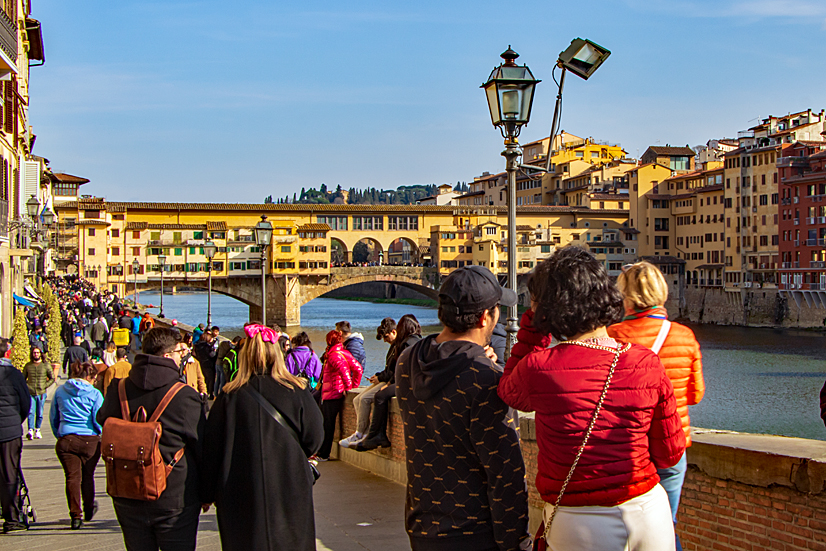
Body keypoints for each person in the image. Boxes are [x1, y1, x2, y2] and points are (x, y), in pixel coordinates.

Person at [499, 247, 686, 551]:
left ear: (548, 308)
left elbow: (508, 390)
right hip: (648, 513)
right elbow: (670, 453)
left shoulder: (539, 368)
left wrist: (533, 325)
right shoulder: (646, 362)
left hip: (579, 523)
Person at [395, 265, 531, 551]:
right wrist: (516, 542)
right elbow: (506, 474)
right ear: (485, 317)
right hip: (476, 532)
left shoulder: (408, 361)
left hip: (422, 525)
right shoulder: (487, 380)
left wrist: (478, 358)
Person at [607, 261, 705, 551]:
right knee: (667, 525)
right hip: (672, 446)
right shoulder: (685, 336)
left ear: (626, 297)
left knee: (625, 531)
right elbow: (696, 394)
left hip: (627, 446)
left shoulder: (614, 336)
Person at [202, 323, 324, 551]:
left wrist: (207, 492)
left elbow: (211, 450)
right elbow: (315, 438)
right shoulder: (296, 391)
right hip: (290, 485)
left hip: (239, 490)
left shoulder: (228, 397)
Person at [97, 327, 207, 551]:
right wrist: (207, 493)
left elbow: (103, 419)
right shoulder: (184, 395)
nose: (181, 357)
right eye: (179, 352)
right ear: (167, 356)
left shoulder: (118, 388)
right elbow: (202, 447)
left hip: (127, 491)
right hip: (174, 496)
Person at [354, 314, 421, 451]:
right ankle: (375, 435)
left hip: (408, 383)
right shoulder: (417, 341)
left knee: (380, 396)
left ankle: (376, 436)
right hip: (413, 382)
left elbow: (402, 370)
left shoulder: (406, 344)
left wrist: (389, 383)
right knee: (379, 395)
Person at [50, 361, 104, 530]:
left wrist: (60, 433)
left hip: (67, 438)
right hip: (90, 440)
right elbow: (98, 418)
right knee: (88, 476)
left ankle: (75, 515)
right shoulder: (95, 394)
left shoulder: (60, 391)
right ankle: (88, 508)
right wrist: (98, 432)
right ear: (90, 377)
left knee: (72, 477)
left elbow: (53, 417)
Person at [340, 317, 395, 448]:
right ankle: (361, 432)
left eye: (386, 337)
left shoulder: (400, 346)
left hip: (390, 382)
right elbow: (389, 369)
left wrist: (381, 379)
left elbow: (394, 371)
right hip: (386, 379)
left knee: (364, 399)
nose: (385, 340)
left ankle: (361, 434)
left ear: (394, 332)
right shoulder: (394, 347)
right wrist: (377, 376)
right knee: (356, 399)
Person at [316, 330, 363, 461]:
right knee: (327, 424)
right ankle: (322, 452)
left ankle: (324, 453)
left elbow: (345, 373)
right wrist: (354, 385)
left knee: (328, 425)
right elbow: (358, 369)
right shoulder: (343, 352)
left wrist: (349, 387)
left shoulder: (333, 355)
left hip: (332, 393)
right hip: (333, 392)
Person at [0, 339, 30, 533]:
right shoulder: (14, 374)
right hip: (9, 431)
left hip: (9, 427)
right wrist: (16, 421)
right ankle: (11, 518)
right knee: (9, 473)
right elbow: (25, 402)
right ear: (7, 353)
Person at [23, 346, 55, 440]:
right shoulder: (28, 365)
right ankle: (30, 430)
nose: (36, 354)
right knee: (31, 411)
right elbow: (23, 378)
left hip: (41, 392)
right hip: (31, 392)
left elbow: (52, 378)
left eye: (37, 352)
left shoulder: (45, 365)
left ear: (40, 354)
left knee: (40, 412)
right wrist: (27, 386)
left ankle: (38, 429)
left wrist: (45, 385)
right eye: (34, 353)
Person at [194, 331, 218, 399]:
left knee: (203, 378)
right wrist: (215, 352)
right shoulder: (207, 346)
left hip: (201, 363)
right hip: (209, 364)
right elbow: (212, 355)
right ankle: (209, 393)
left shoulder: (197, 345)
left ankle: (203, 392)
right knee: (210, 379)